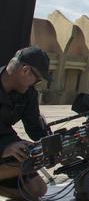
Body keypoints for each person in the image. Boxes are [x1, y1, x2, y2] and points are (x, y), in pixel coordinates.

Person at [0, 47, 52, 200]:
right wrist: (4, 150)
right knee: (20, 168)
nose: (36, 83)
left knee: (37, 190)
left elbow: (35, 129)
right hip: (3, 146)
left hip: (6, 139)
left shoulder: (28, 93)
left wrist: (54, 142)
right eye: (38, 79)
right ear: (25, 70)